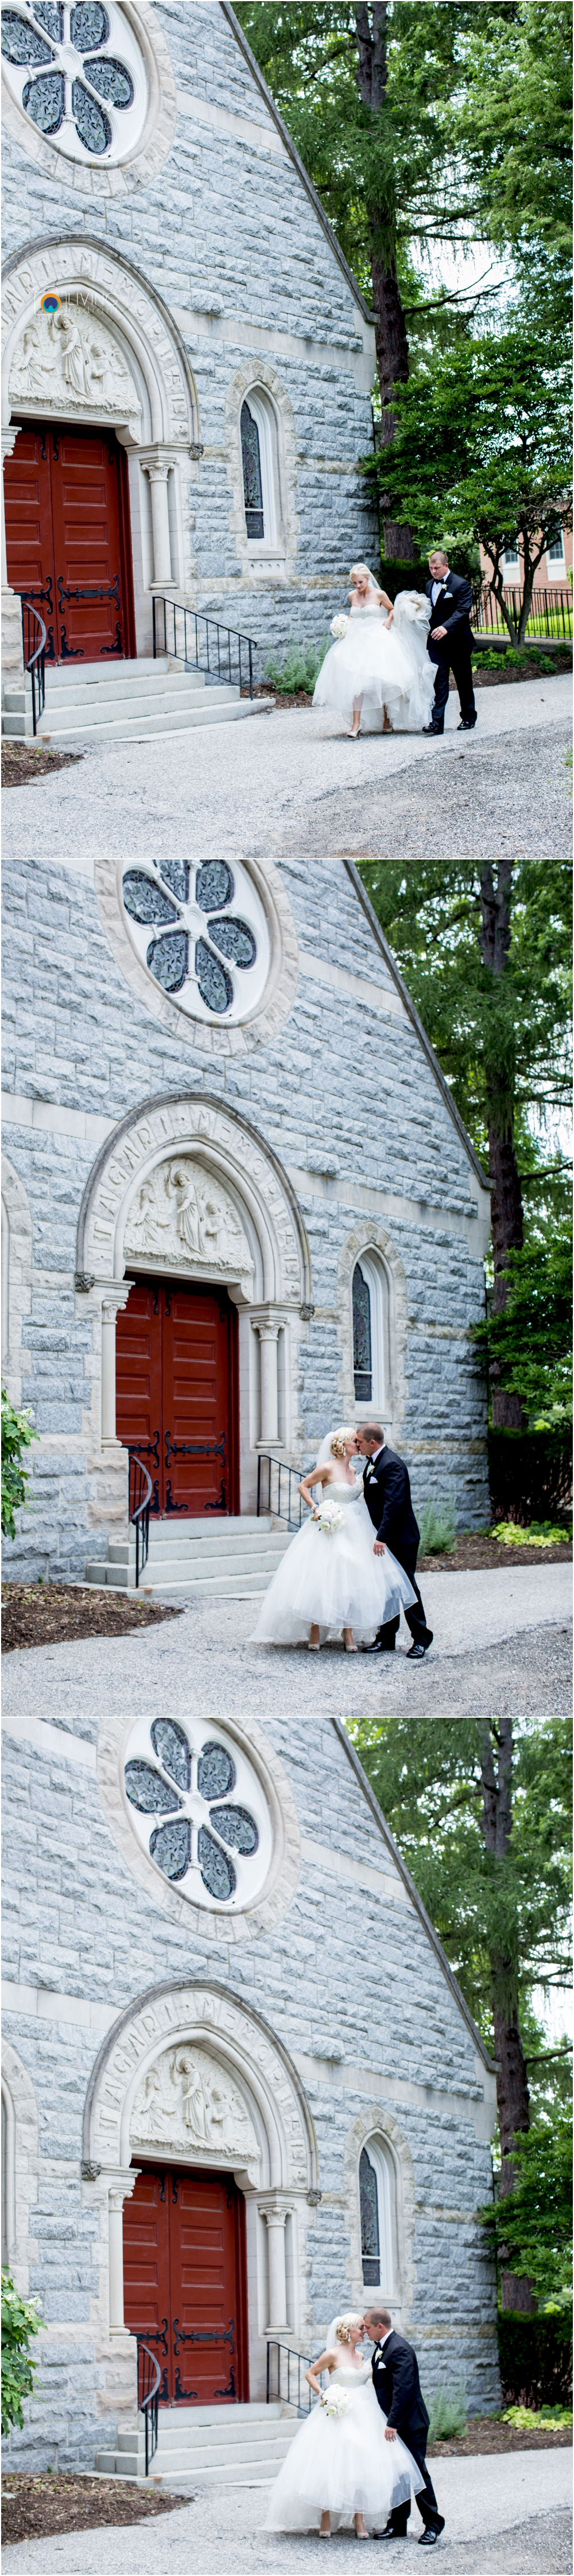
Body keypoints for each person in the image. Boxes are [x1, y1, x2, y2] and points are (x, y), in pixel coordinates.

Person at [250, 1426, 417, 1652]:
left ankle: (350, 1633)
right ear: (343, 1444)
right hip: (330, 1528)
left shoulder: (361, 1468)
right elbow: (303, 1486)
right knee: (322, 1578)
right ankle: (316, 1629)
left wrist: (378, 1531)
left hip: (355, 1528)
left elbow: (377, 1500)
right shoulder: (327, 1468)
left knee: (352, 1580)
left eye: (360, 1441)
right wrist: (317, 1510)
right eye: (354, 1441)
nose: (358, 1445)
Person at [264, 2311, 414, 2539]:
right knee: (331, 2464)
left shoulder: (364, 2355)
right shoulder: (332, 2354)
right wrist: (325, 2395)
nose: (365, 2331)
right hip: (338, 2415)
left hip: (365, 2414)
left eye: (366, 2328)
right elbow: (310, 2374)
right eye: (361, 2328)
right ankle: (326, 2516)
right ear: (348, 2332)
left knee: (363, 2465)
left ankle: (359, 2519)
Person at [312, 564, 436, 737]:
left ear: (368, 579)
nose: (358, 586)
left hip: (378, 639)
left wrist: (389, 620)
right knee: (357, 683)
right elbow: (353, 615)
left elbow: (391, 609)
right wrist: (343, 626)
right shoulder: (352, 596)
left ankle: (387, 720)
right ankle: (356, 725)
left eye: (361, 582)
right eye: (355, 583)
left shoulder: (379, 594)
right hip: (356, 642)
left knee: (383, 679)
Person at [362, 2305, 445, 2547]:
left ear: (380, 2327)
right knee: (398, 2475)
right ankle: (398, 2525)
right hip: (395, 2424)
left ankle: (433, 2525)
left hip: (410, 2424)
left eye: (367, 2327)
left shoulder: (398, 2349)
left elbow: (404, 2390)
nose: (365, 2331)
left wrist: (393, 2423)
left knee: (418, 2473)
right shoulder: (382, 2349)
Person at [355, 1424, 433, 1659]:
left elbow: (395, 1505)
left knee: (407, 1588)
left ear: (372, 1443)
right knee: (387, 1589)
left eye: (359, 1441)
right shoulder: (373, 1461)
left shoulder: (392, 1464)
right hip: (386, 1538)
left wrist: (382, 1538)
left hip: (401, 1538)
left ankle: (421, 1639)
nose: (356, 1444)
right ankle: (387, 1638)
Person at [422, 548, 477, 736]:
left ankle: (469, 717)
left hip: (458, 643)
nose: (434, 572)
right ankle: (437, 724)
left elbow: (463, 611)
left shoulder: (461, 584)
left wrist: (446, 627)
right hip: (437, 645)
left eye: (437, 568)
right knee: (438, 683)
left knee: (463, 682)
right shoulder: (429, 585)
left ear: (446, 566)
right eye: (431, 568)